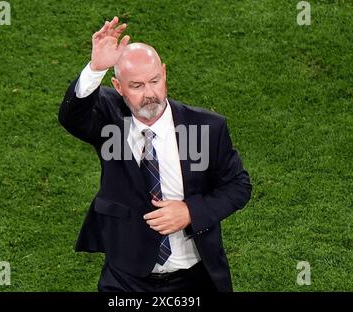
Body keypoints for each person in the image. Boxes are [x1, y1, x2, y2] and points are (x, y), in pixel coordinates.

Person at [58, 16, 252, 292]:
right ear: (118, 86)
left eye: (155, 81)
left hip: (195, 276)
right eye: (136, 86)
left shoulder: (207, 127)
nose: (150, 94)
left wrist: (189, 212)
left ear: (164, 73)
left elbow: (238, 186)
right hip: (126, 279)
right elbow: (71, 116)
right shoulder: (109, 118)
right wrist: (95, 68)